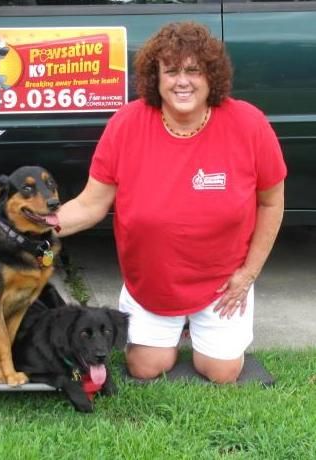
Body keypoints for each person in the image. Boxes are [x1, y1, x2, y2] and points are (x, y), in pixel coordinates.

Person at [56, 21, 287, 384]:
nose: (183, 81)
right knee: (145, 367)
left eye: (194, 71)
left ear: (211, 76)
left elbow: (272, 203)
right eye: (172, 71)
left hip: (222, 283)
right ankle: (172, 324)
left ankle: (199, 324)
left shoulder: (249, 123)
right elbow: (90, 205)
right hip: (153, 283)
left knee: (222, 372)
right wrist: (35, 227)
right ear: (156, 77)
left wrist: (248, 275)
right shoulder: (126, 123)